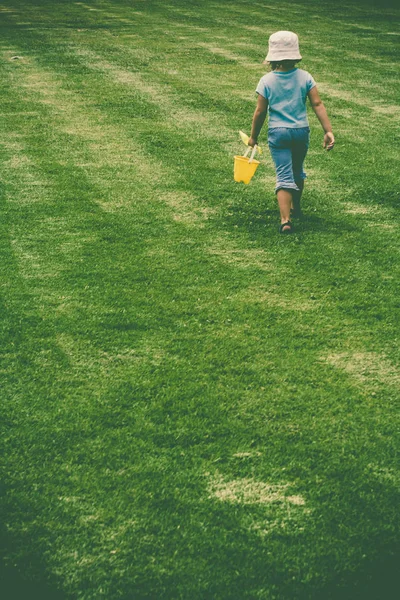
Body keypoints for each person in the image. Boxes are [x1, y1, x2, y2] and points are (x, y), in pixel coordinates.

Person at [248, 31, 335, 233]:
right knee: (297, 170)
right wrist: (328, 130)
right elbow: (317, 103)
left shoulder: (266, 81)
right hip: (300, 131)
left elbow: (260, 111)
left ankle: (285, 220)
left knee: (283, 175)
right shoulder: (305, 77)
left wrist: (253, 137)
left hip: (278, 133)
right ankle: (296, 207)